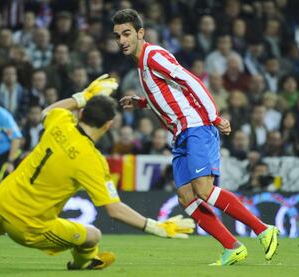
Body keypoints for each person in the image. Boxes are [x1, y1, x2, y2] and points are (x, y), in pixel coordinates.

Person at [0, 78, 195, 270]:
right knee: (93, 235)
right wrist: (157, 227)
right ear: (108, 126)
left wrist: (83, 95)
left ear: (82, 114)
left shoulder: (61, 122)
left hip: (0, 198)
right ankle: (82, 263)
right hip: (27, 224)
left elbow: (49, 110)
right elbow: (113, 210)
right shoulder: (92, 160)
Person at [112, 9, 279, 266]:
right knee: (186, 197)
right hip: (180, 133)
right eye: (118, 36)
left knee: (203, 189)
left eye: (127, 34)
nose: (122, 40)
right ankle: (232, 246)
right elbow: (168, 94)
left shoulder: (153, 55)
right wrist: (142, 102)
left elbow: (191, 81)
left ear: (140, 33)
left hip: (196, 126)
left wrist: (214, 117)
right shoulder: (142, 64)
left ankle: (263, 229)